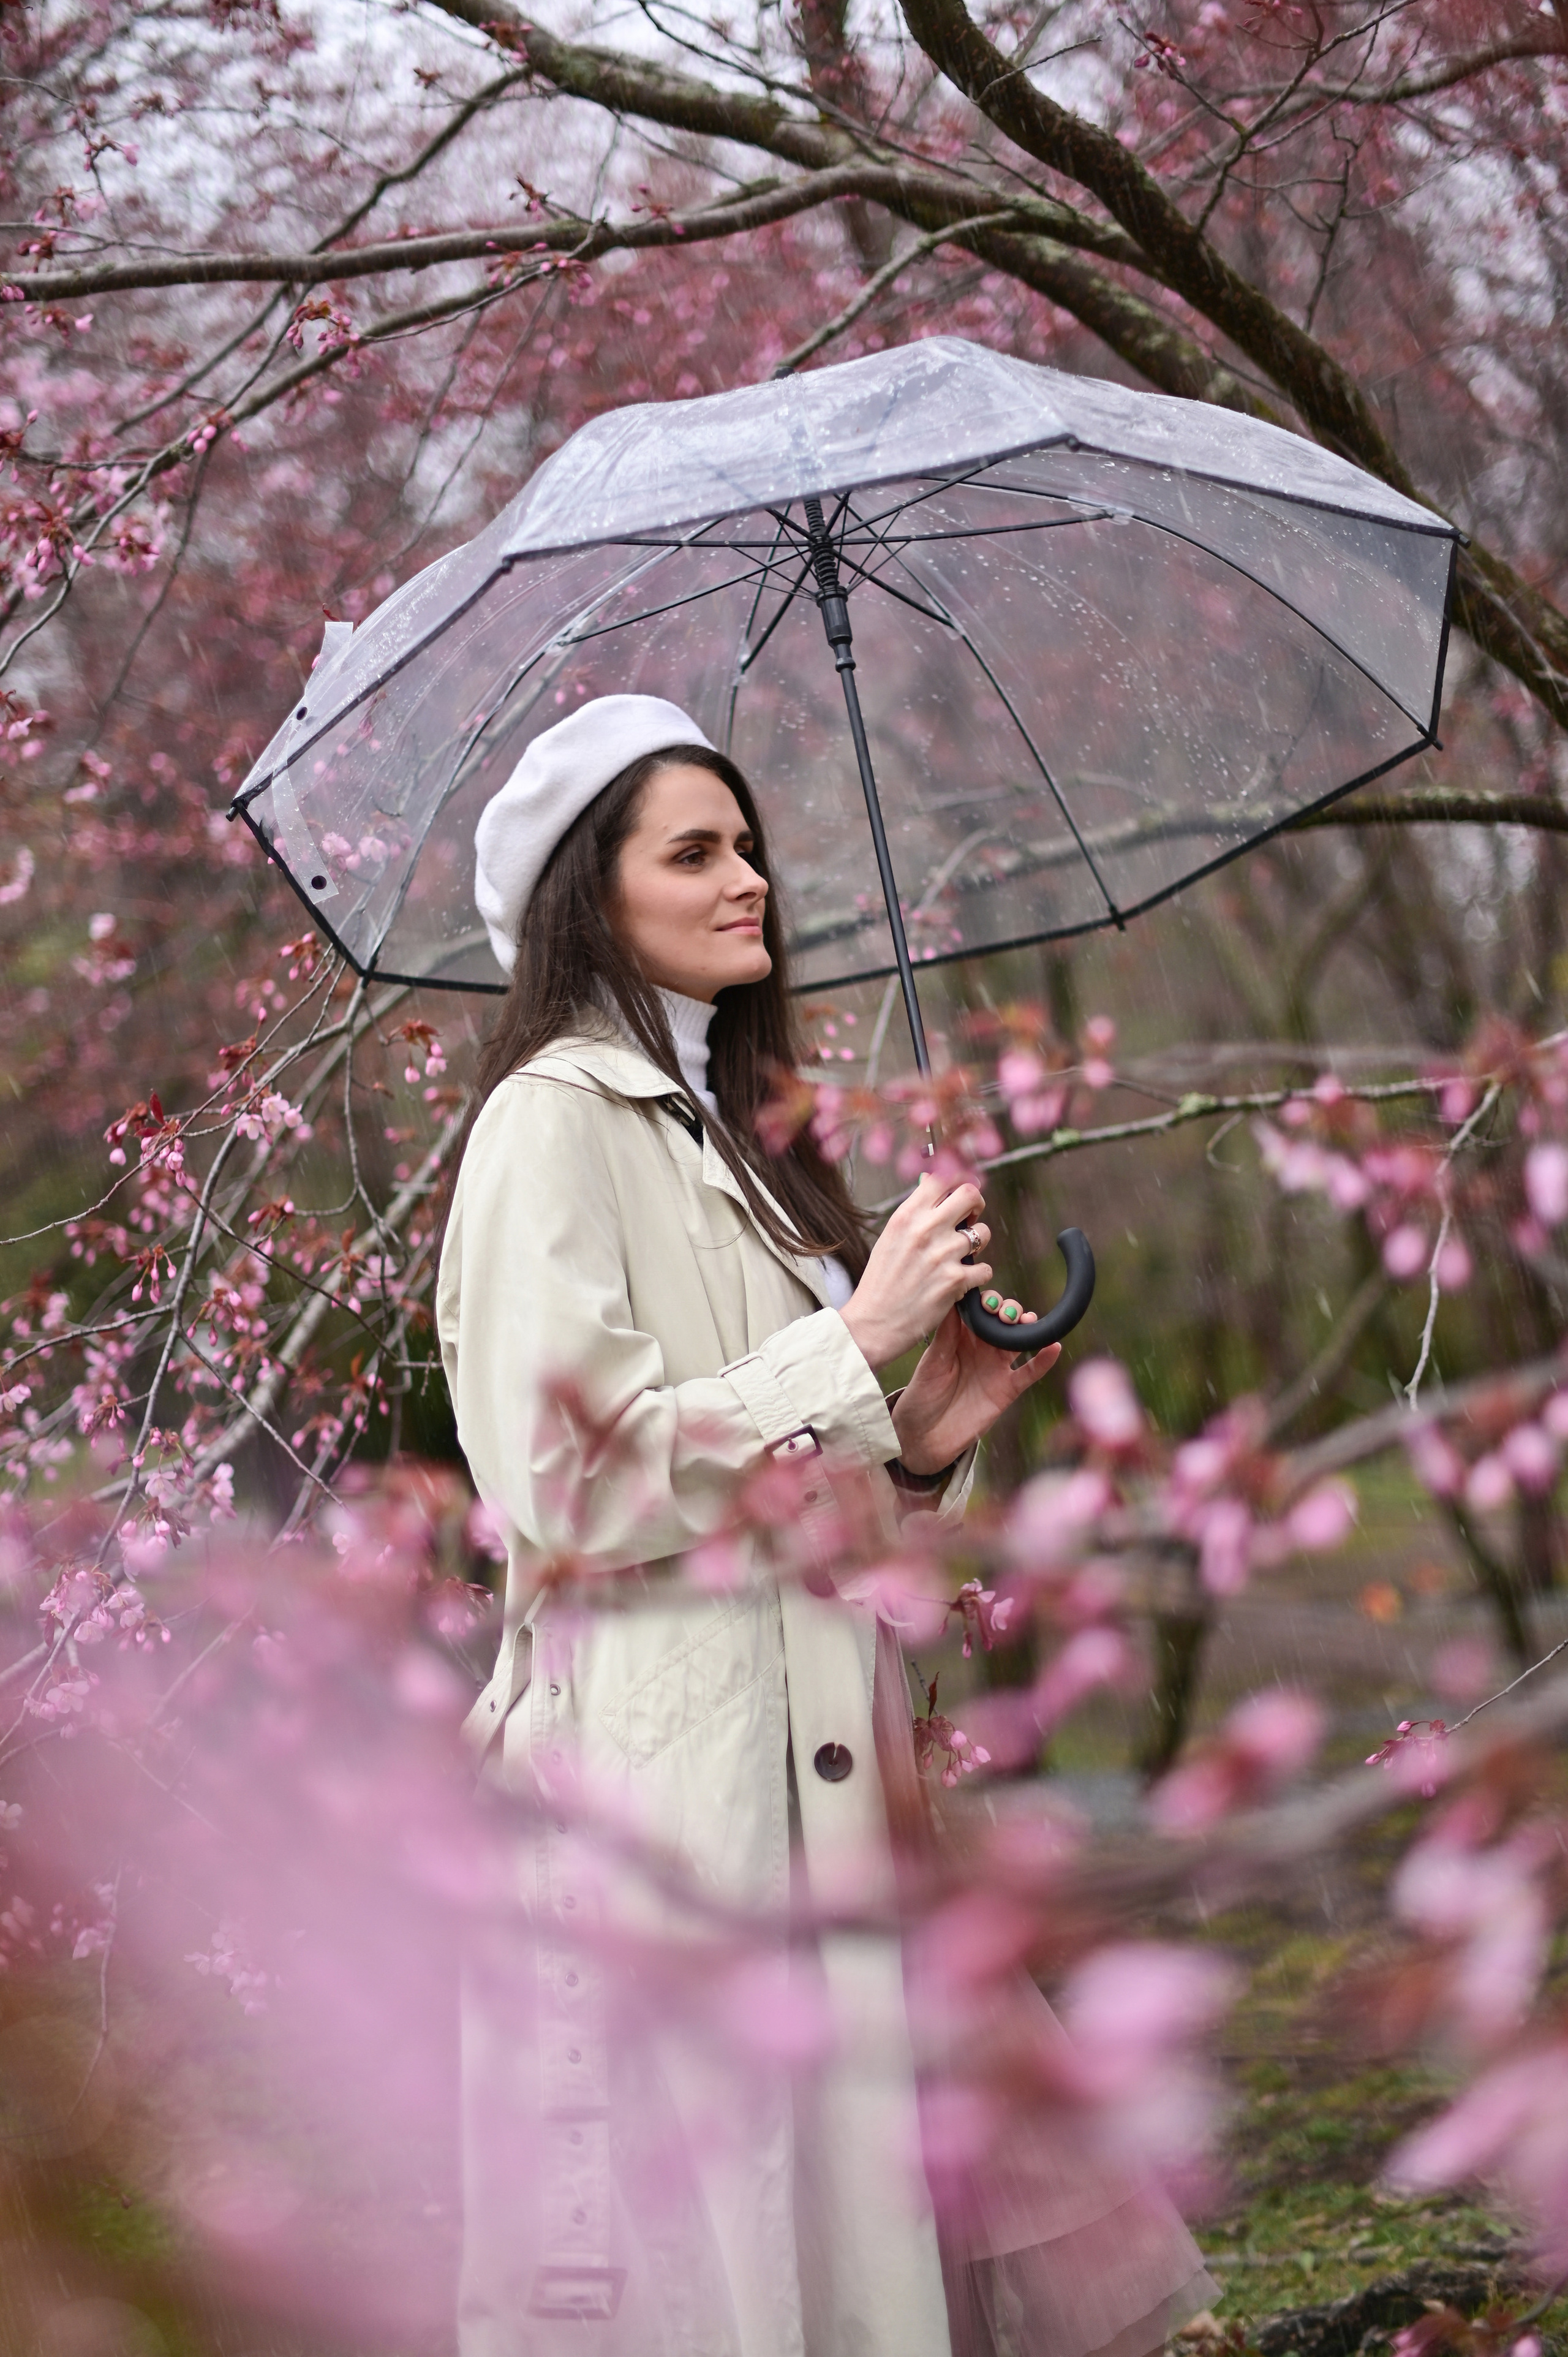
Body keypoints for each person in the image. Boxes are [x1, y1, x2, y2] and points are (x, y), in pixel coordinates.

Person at [437, 695, 1213, 2357]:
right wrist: (852, 1343)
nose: (751, 887)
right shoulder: (549, 1126)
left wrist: (923, 1444)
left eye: (752, 852)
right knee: (741, 2258)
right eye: (696, 854)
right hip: (675, 1794)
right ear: (596, 887)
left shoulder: (739, 1130)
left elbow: (793, 1487)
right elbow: (560, 1485)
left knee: (872, 2247)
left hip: (829, 1769)